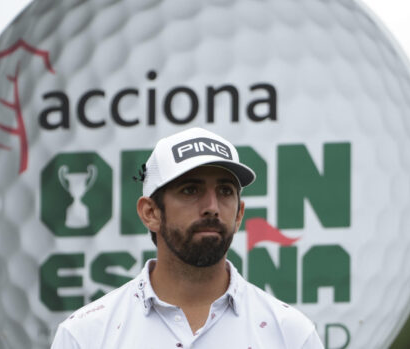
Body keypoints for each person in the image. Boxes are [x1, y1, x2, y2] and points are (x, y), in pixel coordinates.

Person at [51, 127, 324, 349]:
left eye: (225, 191)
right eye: (190, 189)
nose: (212, 206)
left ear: (239, 214)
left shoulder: (291, 335)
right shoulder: (86, 336)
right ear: (150, 213)